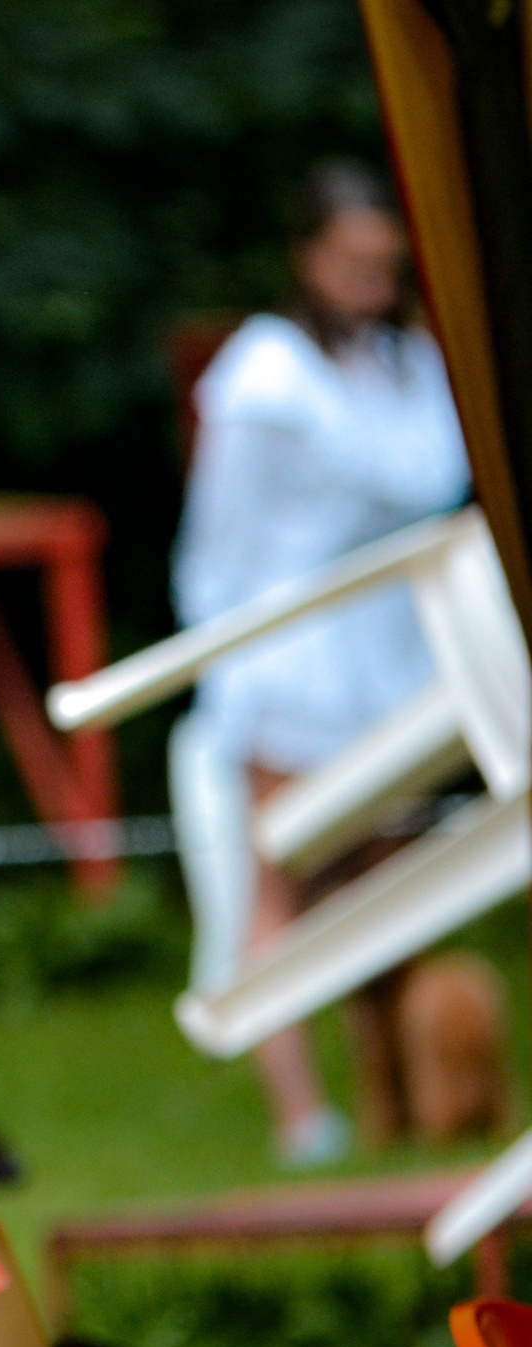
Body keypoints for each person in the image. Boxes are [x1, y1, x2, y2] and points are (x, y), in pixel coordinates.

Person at [170, 160, 473, 1166]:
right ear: (307, 257)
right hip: (289, 664)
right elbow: (220, 540)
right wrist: (229, 670)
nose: (371, 286)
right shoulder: (264, 373)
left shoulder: (409, 360)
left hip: (393, 662)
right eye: (352, 264)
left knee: (389, 880)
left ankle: (405, 1098)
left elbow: (431, 479)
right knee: (282, 884)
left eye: (384, 266)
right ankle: (300, 1115)